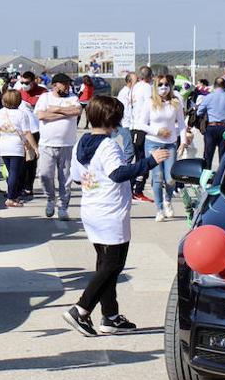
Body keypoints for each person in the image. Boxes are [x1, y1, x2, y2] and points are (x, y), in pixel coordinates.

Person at [63, 95, 170, 336]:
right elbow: (118, 173)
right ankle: (81, 309)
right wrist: (149, 162)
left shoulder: (82, 143)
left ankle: (110, 316)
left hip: (92, 210)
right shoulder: (108, 145)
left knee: (105, 264)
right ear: (114, 119)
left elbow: (78, 176)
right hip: (110, 212)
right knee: (113, 263)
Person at [34, 73, 82, 219]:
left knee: (65, 178)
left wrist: (56, 110)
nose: (67, 86)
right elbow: (41, 115)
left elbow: (77, 111)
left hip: (67, 144)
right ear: (55, 85)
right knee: (45, 175)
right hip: (47, 144)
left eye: (68, 83)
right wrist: (66, 114)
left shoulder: (73, 98)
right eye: (64, 83)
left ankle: (63, 206)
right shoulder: (45, 97)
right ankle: (50, 199)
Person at [145, 74, 191, 220]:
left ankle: (167, 201)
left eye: (166, 84)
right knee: (157, 177)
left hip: (170, 144)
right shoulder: (149, 102)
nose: (163, 87)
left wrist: (183, 141)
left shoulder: (175, 102)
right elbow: (139, 124)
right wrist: (157, 131)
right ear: (155, 86)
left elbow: (182, 123)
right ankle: (159, 209)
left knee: (171, 178)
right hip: (153, 143)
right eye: (160, 84)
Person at [0, 89, 39, 207]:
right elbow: (27, 132)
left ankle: (13, 195)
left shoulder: (0, 112)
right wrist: (35, 147)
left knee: (11, 172)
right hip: (16, 146)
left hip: (4, 144)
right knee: (15, 172)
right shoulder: (22, 114)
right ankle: (11, 198)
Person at [196, 77, 225, 170]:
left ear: (214, 86)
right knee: (224, 156)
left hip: (211, 128)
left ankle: (206, 178)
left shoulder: (208, 97)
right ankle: (221, 178)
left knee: (208, 155)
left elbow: (199, 112)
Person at [17, 72, 46, 197]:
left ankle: (29, 187)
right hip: (22, 131)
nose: (24, 85)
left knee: (31, 160)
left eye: (27, 83)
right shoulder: (19, 92)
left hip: (36, 130)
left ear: (34, 81)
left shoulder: (43, 92)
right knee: (22, 160)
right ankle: (20, 186)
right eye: (22, 82)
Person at [128, 65, 155, 202]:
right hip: (142, 127)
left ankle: (134, 188)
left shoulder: (135, 87)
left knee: (139, 159)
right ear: (149, 77)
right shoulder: (147, 88)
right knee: (143, 160)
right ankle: (136, 189)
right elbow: (152, 105)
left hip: (134, 127)